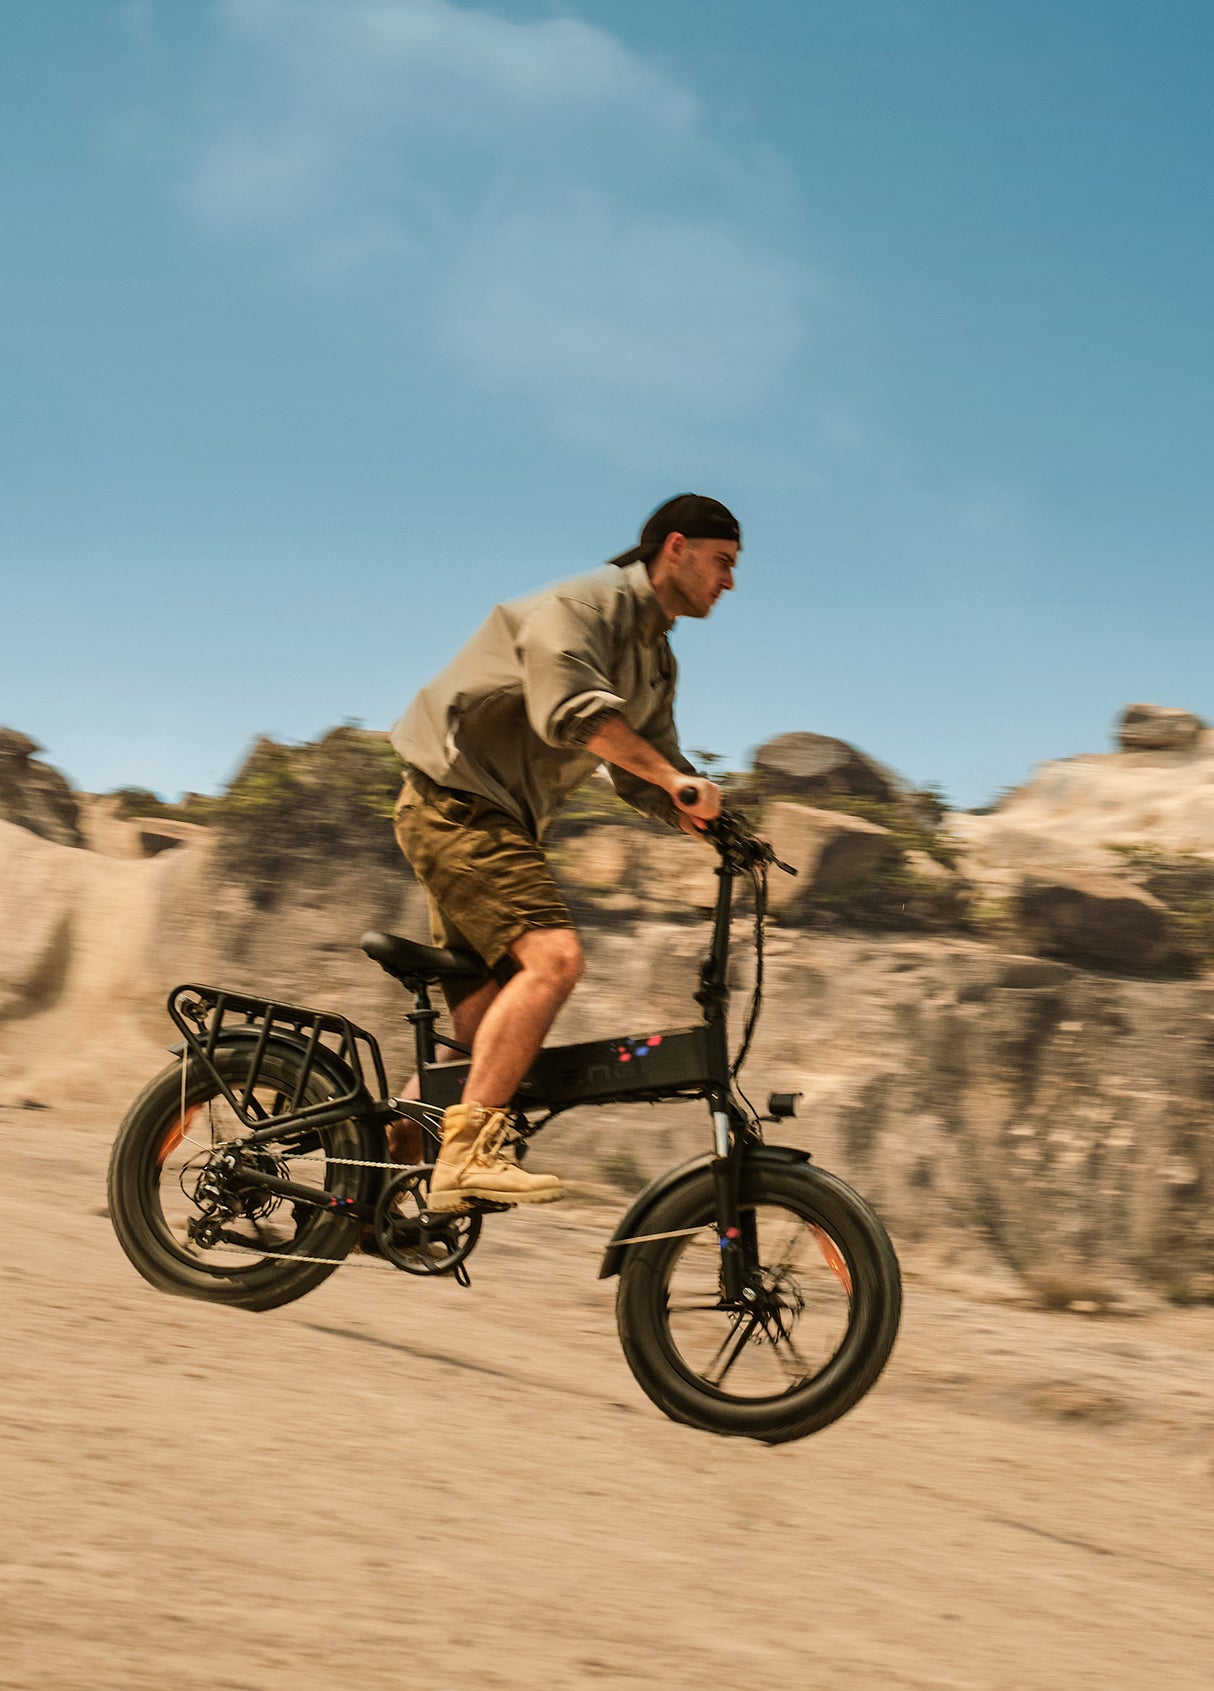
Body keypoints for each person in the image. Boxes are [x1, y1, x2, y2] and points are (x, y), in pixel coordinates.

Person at [389, 493, 741, 1211]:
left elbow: (648, 771)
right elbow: (571, 712)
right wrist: (674, 779)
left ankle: (372, 1188)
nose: (729, 581)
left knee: (477, 1040)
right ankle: (467, 1156)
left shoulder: (655, 659)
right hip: (457, 801)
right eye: (723, 562)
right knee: (555, 959)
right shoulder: (584, 606)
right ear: (676, 547)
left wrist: (719, 826)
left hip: (496, 821)